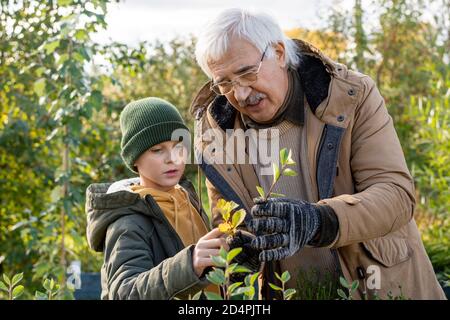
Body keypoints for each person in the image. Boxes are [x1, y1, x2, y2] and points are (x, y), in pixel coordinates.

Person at [191, 8, 446, 299]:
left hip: (381, 288)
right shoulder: (217, 134)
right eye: (224, 83)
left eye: (247, 73)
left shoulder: (352, 96)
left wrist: (318, 221)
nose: (242, 94)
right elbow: (229, 225)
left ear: (278, 53)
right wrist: (240, 252)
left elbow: (397, 196)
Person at [86, 97, 229, 299]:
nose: (172, 158)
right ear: (134, 158)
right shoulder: (127, 220)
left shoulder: (185, 198)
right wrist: (189, 264)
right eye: (157, 150)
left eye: (178, 146)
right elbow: (124, 293)